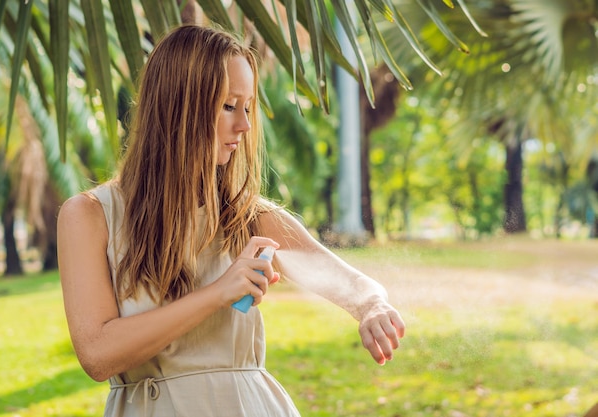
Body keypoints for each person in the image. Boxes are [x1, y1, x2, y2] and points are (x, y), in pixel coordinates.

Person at [57, 24, 405, 417]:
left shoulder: (249, 217)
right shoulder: (88, 216)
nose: (244, 125)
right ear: (178, 104)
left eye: (248, 107)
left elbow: (348, 281)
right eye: (228, 105)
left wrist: (372, 306)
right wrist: (218, 293)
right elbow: (98, 355)